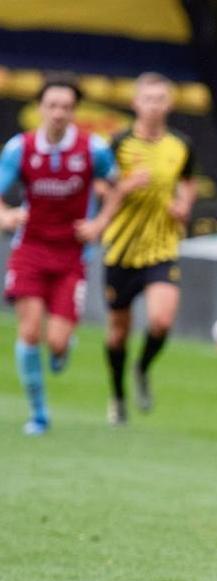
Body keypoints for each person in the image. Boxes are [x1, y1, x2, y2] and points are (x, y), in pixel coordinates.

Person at [0, 78, 124, 435]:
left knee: (55, 342)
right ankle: (38, 413)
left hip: (72, 255)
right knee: (28, 332)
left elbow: (117, 189)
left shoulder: (93, 149)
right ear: (40, 108)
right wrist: (7, 216)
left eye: (66, 107)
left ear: (74, 111)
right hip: (30, 250)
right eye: (52, 106)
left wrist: (99, 223)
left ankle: (62, 347)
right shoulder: (19, 149)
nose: (58, 113)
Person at [102, 72, 198, 425]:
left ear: (169, 104)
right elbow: (99, 189)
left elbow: (188, 183)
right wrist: (124, 188)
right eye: (148, 98)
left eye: (161, 99)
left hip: (161, 247)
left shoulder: (181, 145)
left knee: (160, 321)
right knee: (118, 332)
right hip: (122, 250)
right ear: (135, 103)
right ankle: (117, 395)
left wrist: (184, 206)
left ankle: (141, 369)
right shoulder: (118, 144)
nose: (155, 105)